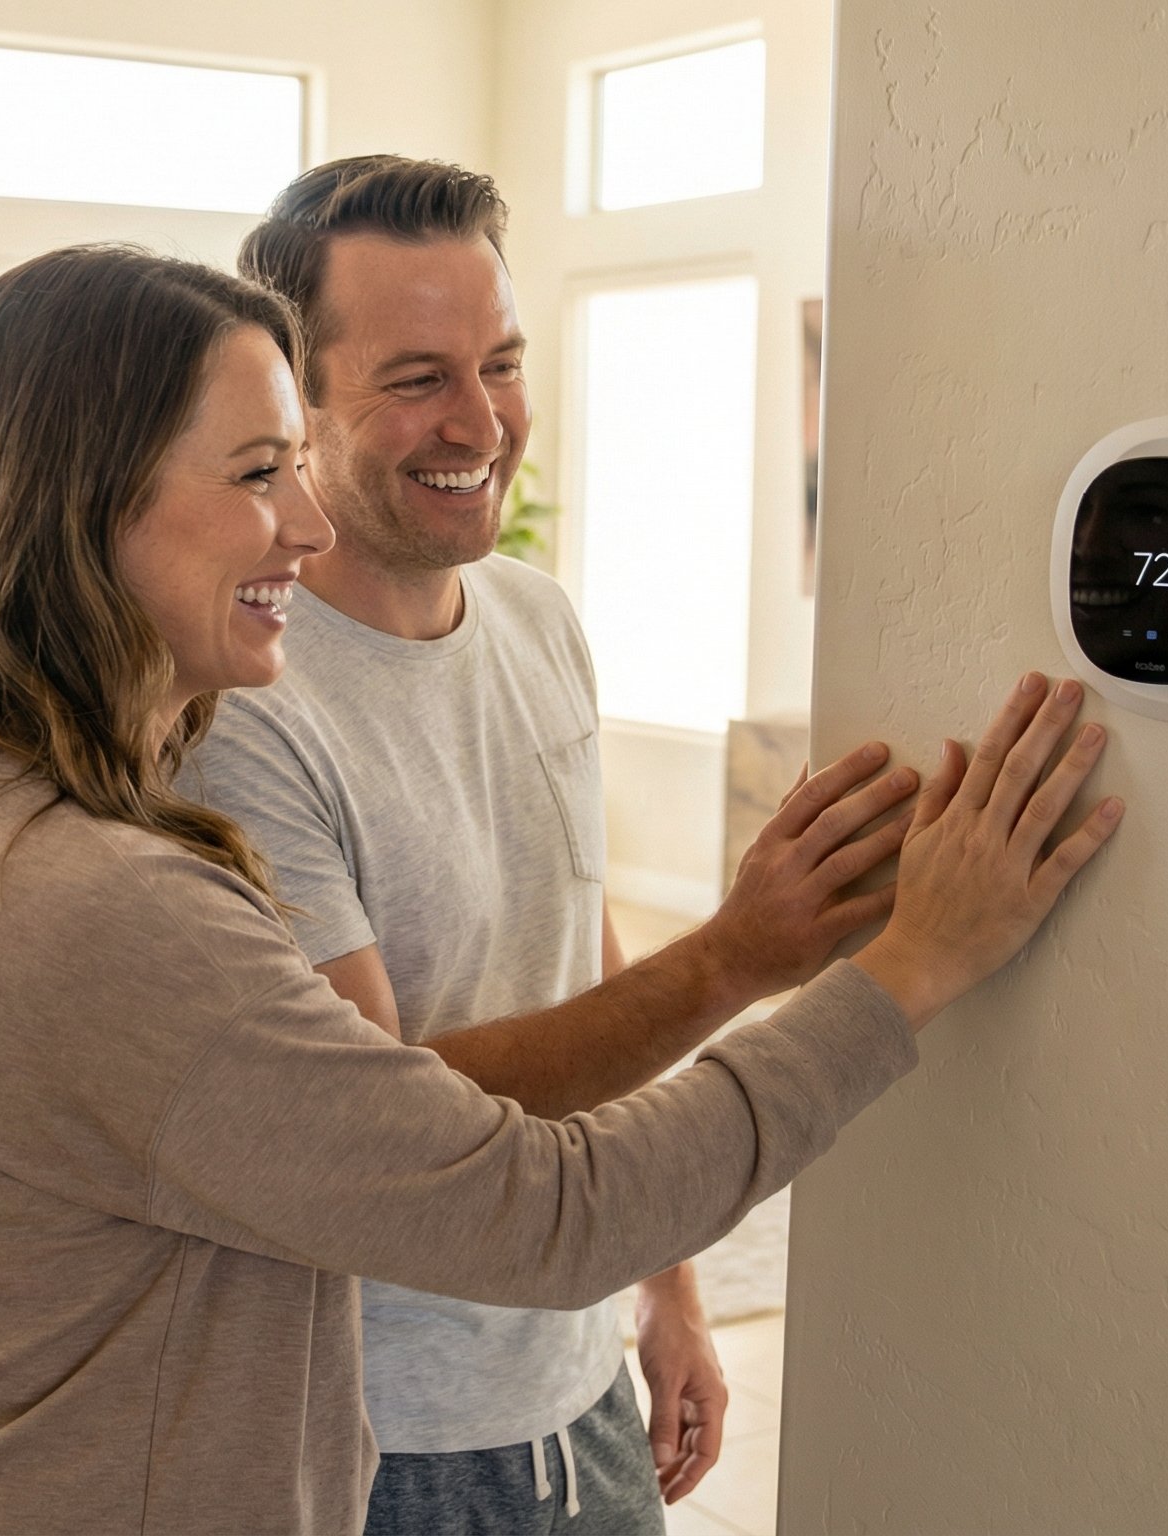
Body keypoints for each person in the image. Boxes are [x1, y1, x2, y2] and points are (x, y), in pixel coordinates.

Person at [0, 242, 1121, 1536]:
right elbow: (544, 1210)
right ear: (78, 511)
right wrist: (910, 968)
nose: (304, 524)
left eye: (294, 467)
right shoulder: (100, 898)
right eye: (260, 472)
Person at [183, 154, 891, 1529]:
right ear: (298, 401)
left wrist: (668, 1282)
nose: (482, 420)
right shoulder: (246, 713)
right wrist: (737, 957)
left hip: (585, 1387)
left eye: (499, 361)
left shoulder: (537, 617)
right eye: (416, 378)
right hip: (391, 1444)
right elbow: (383, 1115)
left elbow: (573, 931)